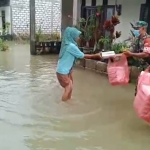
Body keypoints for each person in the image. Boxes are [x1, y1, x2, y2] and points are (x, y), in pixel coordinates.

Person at [56, 27, 101, 101]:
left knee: (70, 85)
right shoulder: (71, 46)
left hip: (63, 71)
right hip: (63, 72)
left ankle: (68, 101)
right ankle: (63, 104)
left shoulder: (67, 45)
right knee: (68, 87)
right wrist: (95, 55)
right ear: (72, 36)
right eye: (77, 36)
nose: (79, 38)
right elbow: (82, 56)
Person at [123, 21, 150, 95]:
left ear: (143, 28)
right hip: (141, 67)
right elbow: (131, 50)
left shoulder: (148, 39)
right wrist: (119, 56)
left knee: (146, 90)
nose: (135, 30)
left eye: (137, 28)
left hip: (148, 68)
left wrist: (131, 54)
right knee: (139, 88)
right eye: (135, 28)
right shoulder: (137, 39)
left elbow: (146, 54)